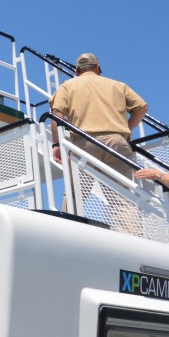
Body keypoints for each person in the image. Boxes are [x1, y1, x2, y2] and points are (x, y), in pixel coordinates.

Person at [50, 53, 148, 234]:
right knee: (121, 198)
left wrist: (56, 144)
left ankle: (68, 234)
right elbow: (142, 108)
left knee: (75, 194)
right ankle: (132, 240)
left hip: (84, 142)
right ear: (97, 68)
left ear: (76, 71)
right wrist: (126, 128)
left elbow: (57, 115)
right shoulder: (118, 85)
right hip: (117, 143)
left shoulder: (68, 86)